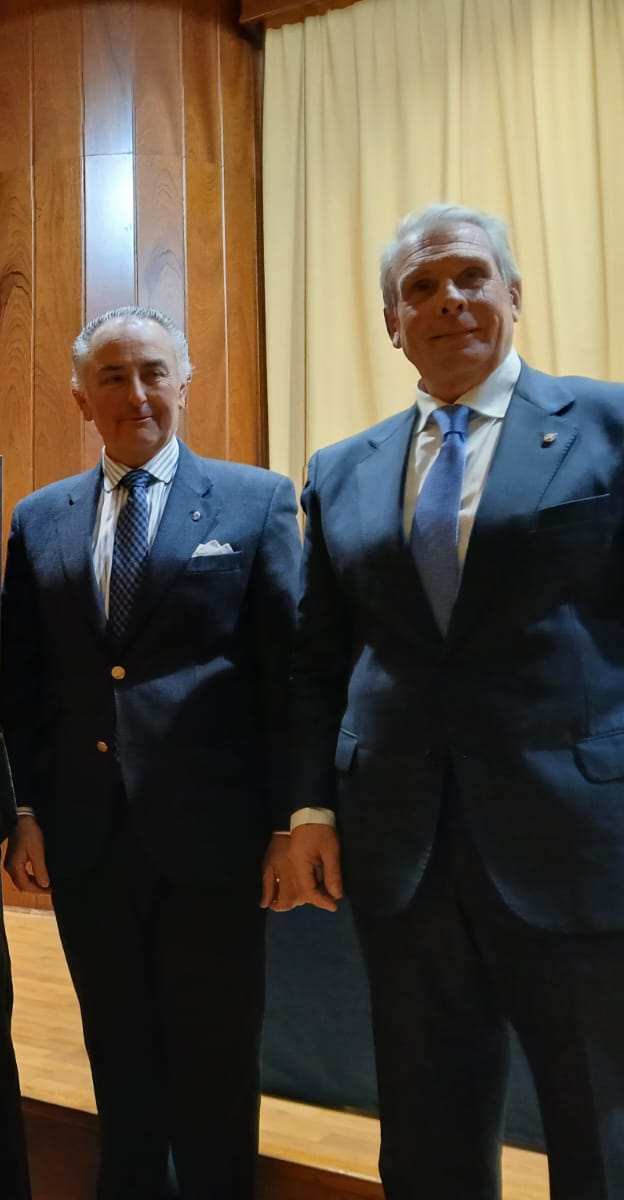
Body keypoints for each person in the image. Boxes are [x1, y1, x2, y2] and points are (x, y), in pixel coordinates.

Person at [284, 203, 624, 1197]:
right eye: (419, 289)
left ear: (513, 295)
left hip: (574, 841)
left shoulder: (608, 427)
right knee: (428, 1134)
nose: (448, 301)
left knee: (599, 1131)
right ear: (392, 324)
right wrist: (310, 807)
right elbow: (317, 659)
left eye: (471, 277)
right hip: (403, 853)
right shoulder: (341, 471)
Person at [0, 306, 299, 1199]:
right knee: (119, 1062)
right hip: (89, 841)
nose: (137, 393)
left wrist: (294, 819)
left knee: (213, 1069)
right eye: (114, 378)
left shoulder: (258, 501)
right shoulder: (39, 517)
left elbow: (290, 675)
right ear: (82, 398)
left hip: (213, 840)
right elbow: (26, 684)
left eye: (153, 372)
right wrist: (24, 810)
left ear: (184, 378)